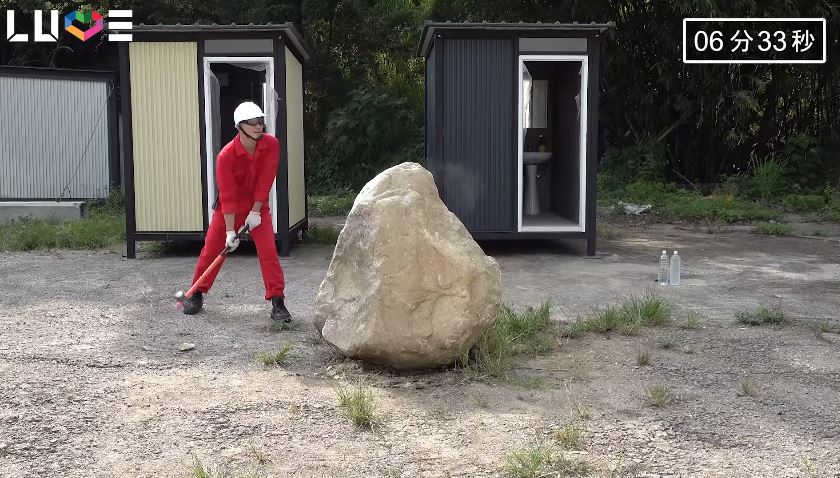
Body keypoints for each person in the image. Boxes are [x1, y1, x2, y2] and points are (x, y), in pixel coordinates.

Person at [181, 101, 291, 323]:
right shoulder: (226, 156)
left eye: (260, 121)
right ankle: (196, 293)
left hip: (258, 208)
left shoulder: (271, 145)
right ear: (239, 126)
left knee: (269, 252)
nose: (259, 126)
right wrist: (230, 232)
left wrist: (256, 211)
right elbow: (228, 196)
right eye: (252, 122)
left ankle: (278, 302)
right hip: (228, 210)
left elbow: (266, 181)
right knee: (211, 251)